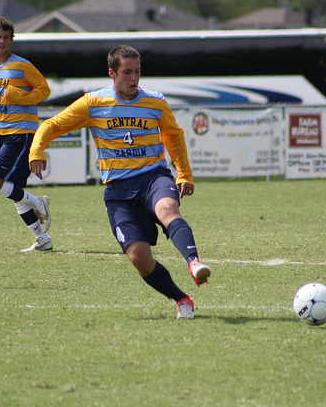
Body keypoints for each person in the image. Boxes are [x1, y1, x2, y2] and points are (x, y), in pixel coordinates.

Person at [29, 45, 211, 319]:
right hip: (118, 190)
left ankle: (194, 262)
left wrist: (184, 173)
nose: (134, 78)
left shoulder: (155, 102)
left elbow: (173, 136)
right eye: (127, 72)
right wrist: (37, 151)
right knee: (139, 257)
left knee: (167, 209)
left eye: (137, 71)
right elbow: (51, 125)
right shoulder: (93, 103)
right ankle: (181, 298)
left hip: (153, 177)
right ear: (112, 73)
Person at [0, 16, 52, 252]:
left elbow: (45, 90)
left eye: (6, 38)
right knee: (15, 190)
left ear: (11, 40)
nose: (1, 41)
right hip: (3, 132)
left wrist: (20, 96)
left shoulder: (22, 65)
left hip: (22, 132)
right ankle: (42, 239)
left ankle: (38, 203)